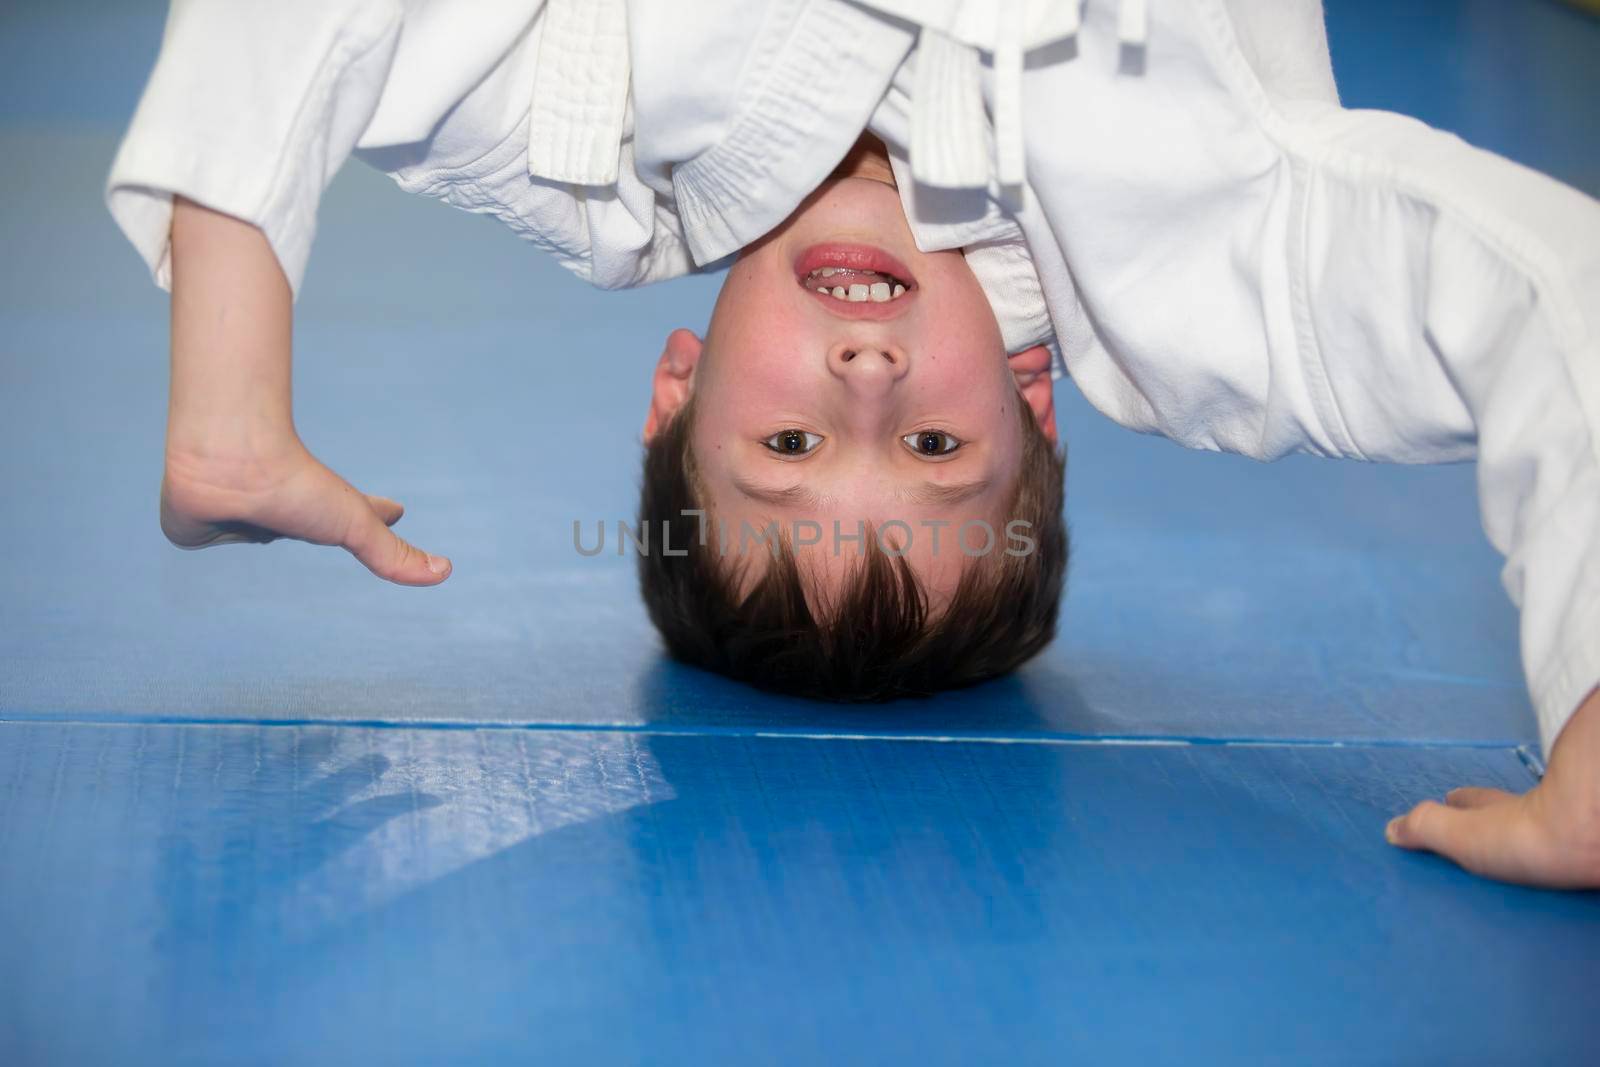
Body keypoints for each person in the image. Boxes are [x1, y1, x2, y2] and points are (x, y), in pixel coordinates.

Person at [108, 0, 1599, 888]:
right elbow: (1547, 295)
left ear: (675, 392)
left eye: (790, 445)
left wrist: (230, 407)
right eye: (941, 445)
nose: (871, 378)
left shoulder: (585, 143)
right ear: (1033, 403)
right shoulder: (1200, 271)